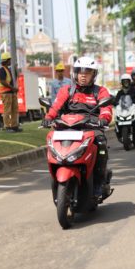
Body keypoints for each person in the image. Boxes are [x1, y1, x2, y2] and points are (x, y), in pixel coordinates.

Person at [43, 56, 113, 196]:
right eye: (80, 72)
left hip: (91, 127)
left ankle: (99, 182)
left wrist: (103, 119)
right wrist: (48, 117)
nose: (83, 76)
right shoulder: (67, 90)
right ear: (75, 74)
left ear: (94, 75)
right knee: (52, 140)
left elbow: (106, 109)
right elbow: (56, 106)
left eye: (87, 73)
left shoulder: (100, 91)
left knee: (101, 143)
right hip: (67, 126)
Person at [0, 52, 21, 132]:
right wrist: (13, 88)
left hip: (11, 92)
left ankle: (14, 126)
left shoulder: (8, 69)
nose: (10, 61)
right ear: (6, 61)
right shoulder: (1, 70)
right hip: (6, 93)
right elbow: (3, 81)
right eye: (9, 60)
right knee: (7, 110)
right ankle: (7, 127)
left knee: (14, 109)